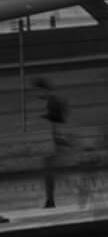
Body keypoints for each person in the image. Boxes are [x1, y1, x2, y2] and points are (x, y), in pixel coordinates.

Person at [34, 76, 67, 211]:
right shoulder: (51, 99)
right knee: (48, 173)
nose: (37, 94)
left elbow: (58, 118)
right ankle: (50, 200)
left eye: (38, 91)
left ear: (43, 89)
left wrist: (45, 117)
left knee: (49, 173)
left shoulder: (52, 99)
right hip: (53, 141)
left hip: (53, 142)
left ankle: (50, 200)